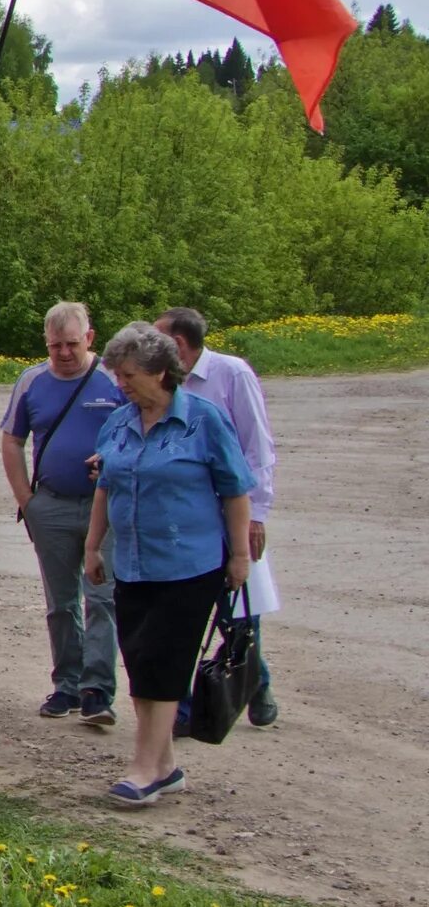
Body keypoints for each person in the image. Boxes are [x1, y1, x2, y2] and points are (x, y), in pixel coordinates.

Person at [82, 321, 254, 809]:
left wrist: (239, 556)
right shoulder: (118, 421)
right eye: (118, 375)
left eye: (129, 375)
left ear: (161, 372)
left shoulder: (204, 420)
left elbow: (235, 489)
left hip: (189, 565)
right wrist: (94, 547)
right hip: (133, 563)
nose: (121, 384)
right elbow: (105, 486)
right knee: (139, 659)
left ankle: (143, 769)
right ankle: (166, 765)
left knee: (164, 663)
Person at [0, 302, 128, 726]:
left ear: (90, 338)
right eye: (56, 346)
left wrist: (112, 461)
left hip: (103, 507)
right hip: (49, 504)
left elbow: (139, 430)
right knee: (60, 602)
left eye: (72, 344)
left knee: (102, 598)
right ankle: (66, 684)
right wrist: (27, 501)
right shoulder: (32, 381)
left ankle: (97, 690)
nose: (65, 353)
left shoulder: (114, 379)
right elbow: (13, 440)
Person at [157, 307, 280, 729]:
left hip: (230, 513)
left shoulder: (231, 374)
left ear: (180, 344)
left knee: (237, 612)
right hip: (182, 518)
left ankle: (254, 681)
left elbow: (256, 448)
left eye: (159, 339)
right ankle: (184, 708)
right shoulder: (162, 382)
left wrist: (255, 515)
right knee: (184, 612)